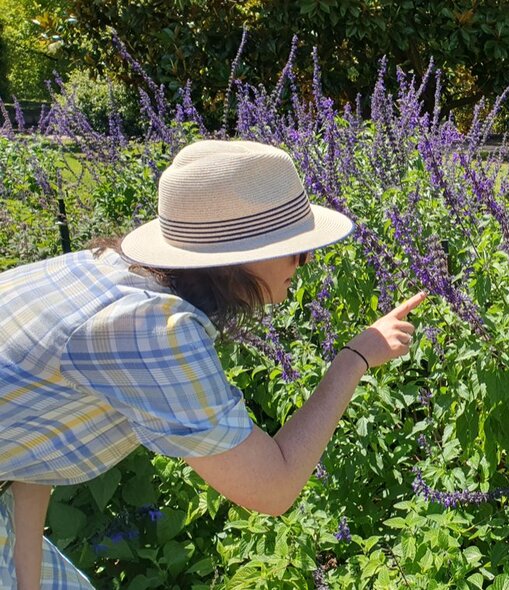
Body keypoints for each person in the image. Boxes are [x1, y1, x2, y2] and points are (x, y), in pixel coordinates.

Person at [0, 139, 426, 588]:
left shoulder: (99, 270)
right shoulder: (150, 329)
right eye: (294, 248)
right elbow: (273, 488)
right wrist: (353, 359)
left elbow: (30, 445)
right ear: (234, 259)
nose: (306, 262)